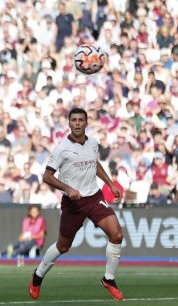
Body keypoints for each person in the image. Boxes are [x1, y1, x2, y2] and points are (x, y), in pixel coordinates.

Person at [29, 108, 124, 301]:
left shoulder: (93, 143)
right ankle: (37, 276)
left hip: (94, 198)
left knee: (117, 234)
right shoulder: (62, 148)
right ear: (69, 123)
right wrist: (68, 189)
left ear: (86, 123)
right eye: (74, 120)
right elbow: (46, 176)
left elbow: (94, 164)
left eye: (81, 120)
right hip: (73, 203)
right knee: (63, 247)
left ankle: (109, 279)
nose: (78, 123)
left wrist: (110, 184)